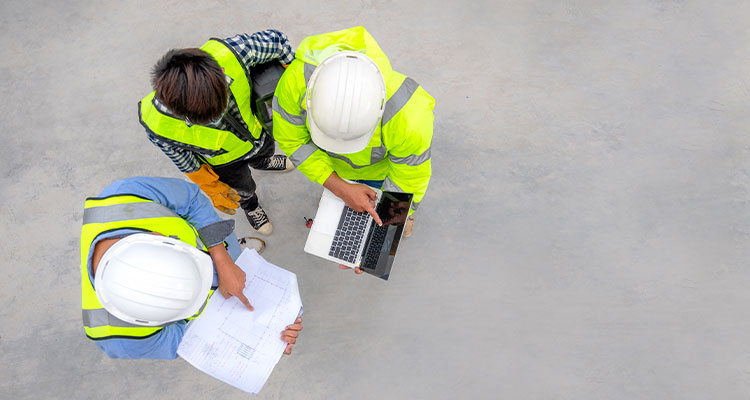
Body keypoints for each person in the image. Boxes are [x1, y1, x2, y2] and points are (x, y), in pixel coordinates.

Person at [80, 177, 302, 359]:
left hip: (218, 250)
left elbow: (192, 201)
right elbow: (194, 342)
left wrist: (222, 257)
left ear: (155, 236)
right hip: (219, 301)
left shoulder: (127, 196)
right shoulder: (121, 341)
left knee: (229, 247)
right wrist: (266, 339)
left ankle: (236, 251)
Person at [272, 26, 434, 273]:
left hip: (382, 174)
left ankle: (404, 220)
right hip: (334, 170)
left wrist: (382, 237)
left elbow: (408, 179)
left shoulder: (408, 115)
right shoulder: (296, 81)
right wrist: (338, 186)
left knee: (390, 213)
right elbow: (293, 141)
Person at [139, 30, 296, 236]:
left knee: (265, 151)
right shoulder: (158, 125)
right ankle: (251, 207)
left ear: (220, 73)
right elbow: (185, 160)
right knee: (243, 189)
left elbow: (277, 42)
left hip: (258, 133)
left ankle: (263, 162)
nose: (218, 118)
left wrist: (295, 81)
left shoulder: (234, 53)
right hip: (226, 162)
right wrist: (211, 185)